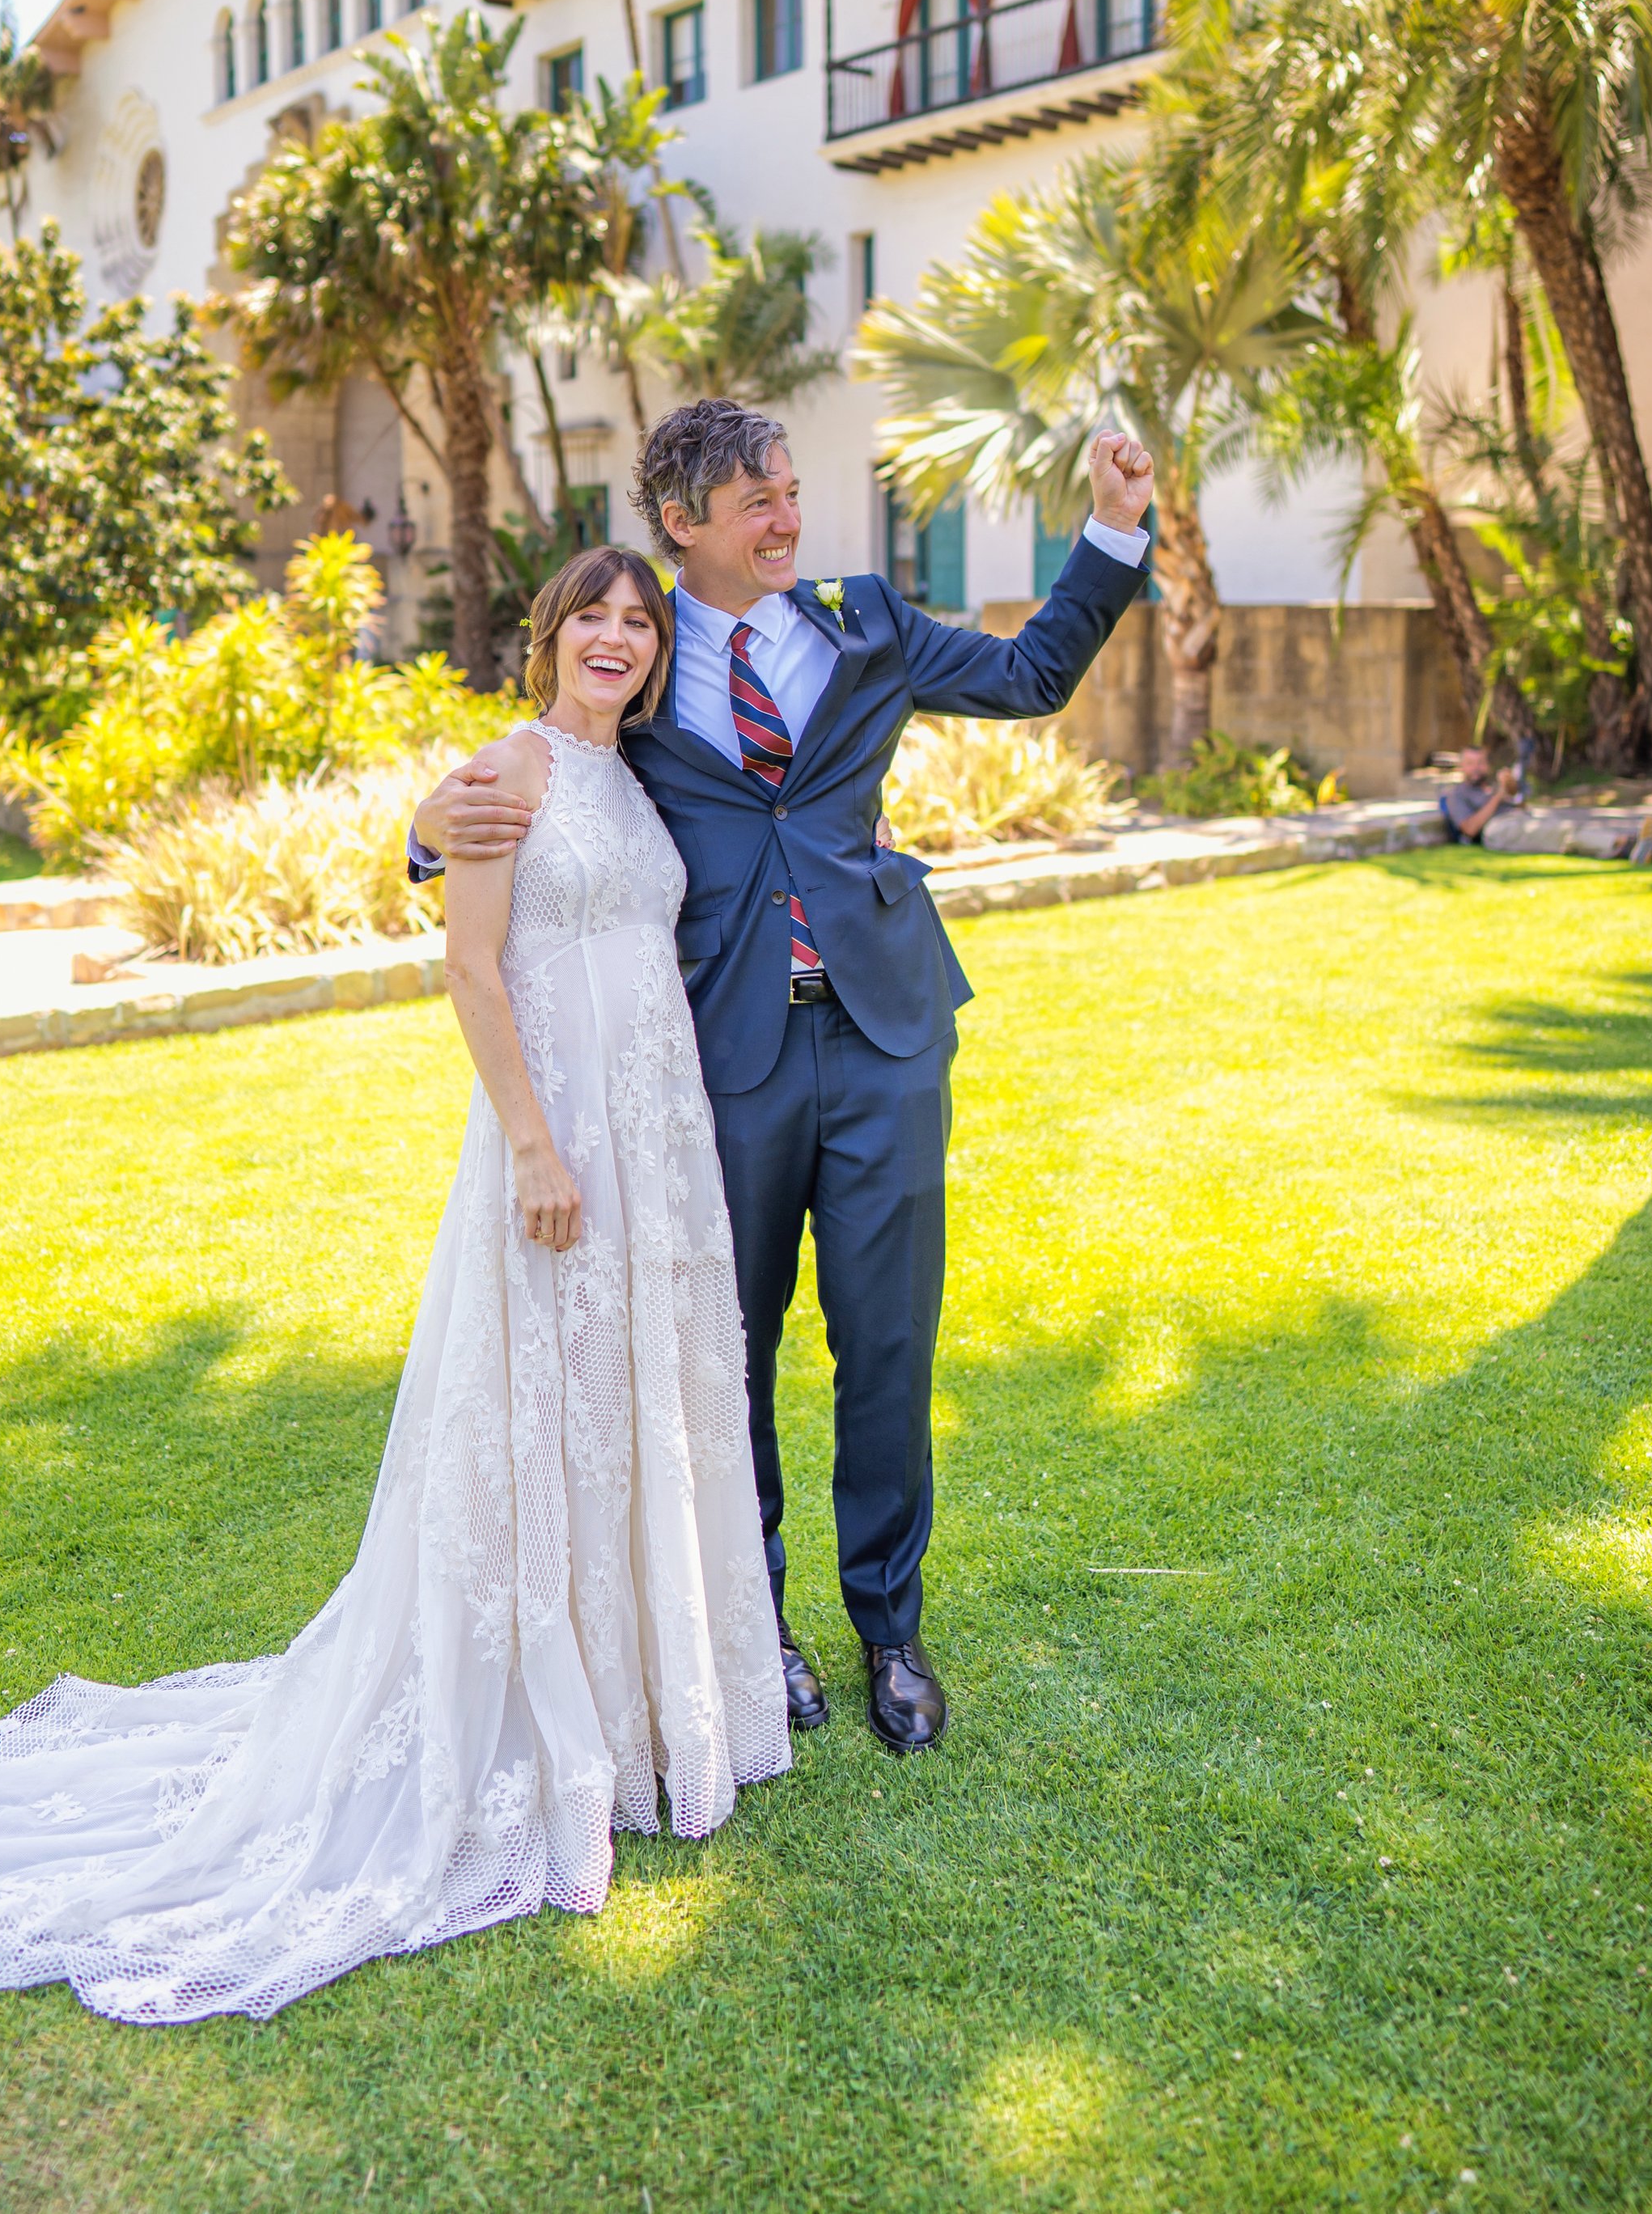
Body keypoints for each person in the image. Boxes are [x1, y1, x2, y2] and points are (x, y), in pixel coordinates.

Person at [0, 548, 788, 2025]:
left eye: (638, 620)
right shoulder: (506, 774)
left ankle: (647, 1706)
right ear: (543, 639)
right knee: (544, 1421)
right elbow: (474, 972)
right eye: (591, 615)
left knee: (631, 1412)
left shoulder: (638, 775)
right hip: (562, 1146)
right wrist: (537, 1146)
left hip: (658, 1151)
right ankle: (531, 1724)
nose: (617, 635)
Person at [411, 398, 1152, 1756]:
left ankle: (891, 1629)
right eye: (757, 500)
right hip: (722, 1065)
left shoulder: (865, 620)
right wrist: (424, 829)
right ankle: (756, 1630)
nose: (788, 519)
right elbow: (547, 781)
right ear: (683, 523)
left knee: (885, 1348)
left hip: (881, 1037)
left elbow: (1035, 674)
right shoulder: (637, 653)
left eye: (793, 492)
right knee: (723, 1356)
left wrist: (1110, 523)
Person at [1439, 745, 1523, 843]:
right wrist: (1498, 796)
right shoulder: (1457, 793)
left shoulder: (1494, 785)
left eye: (1481, 762)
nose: (1476, 768)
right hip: (1500, 831)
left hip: (1520, 821)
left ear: (1489, 765)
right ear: (1461, 766)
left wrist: (1511, 788)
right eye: (1470, 763)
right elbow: (1470, 829)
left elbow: (1522, 807)